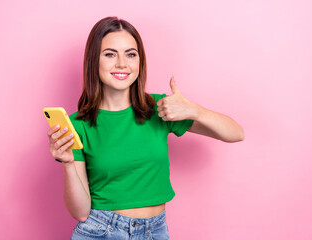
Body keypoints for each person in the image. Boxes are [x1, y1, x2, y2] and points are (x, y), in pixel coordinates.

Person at [46, 16, 244, 240]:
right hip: (101, 231)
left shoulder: (160, 109)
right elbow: (80, 212)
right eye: (110, 54)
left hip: (156, 231)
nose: (122, 63)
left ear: (140, 61)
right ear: (94, 61)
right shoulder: (78, 125)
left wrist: (194, 110)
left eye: (131, 54)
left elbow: (236, 133)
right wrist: (68, 163)